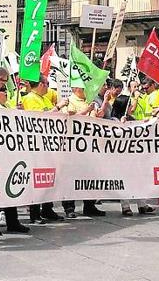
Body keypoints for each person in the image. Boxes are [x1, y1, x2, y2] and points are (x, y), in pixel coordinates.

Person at [0, 81, 29, 235]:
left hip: (8, 154)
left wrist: (18, 112)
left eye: (6, 89)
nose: (6, 92)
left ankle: (12, 221)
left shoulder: (6, 106)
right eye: (2, 90)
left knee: (10, 187)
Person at [22, 75, 67, 223]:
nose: (48, 87)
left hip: (49, 145)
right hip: (36, 145)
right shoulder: (29, 98)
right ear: (40, 84)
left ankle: (47, 209)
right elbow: (40, 118)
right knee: (37, 180)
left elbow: (53, 115)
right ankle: (34, 214)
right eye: (47, 84)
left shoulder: (44, 99)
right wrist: (58, 106)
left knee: (49, 178)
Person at [62, 85, 106, 217]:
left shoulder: (89, 100)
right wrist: (87, 110)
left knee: (90, 176)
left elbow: (98, 118)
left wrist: (100, 110)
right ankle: (69, 208)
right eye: (84, 88)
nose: (86, 90)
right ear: (76, 89)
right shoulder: (69, 101)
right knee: (71, 177)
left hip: (90, 145)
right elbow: (68, 119)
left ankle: (89, 205)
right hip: (73, 146)